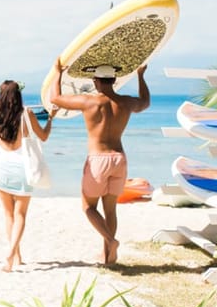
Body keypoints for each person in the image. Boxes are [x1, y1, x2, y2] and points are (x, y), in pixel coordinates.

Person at [48, 60, 150, 264]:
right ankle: (108, 256)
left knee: (88, 207)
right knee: (110, 209)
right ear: (113, 80)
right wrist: (140, 76)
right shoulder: (126, 102)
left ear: (96, 81)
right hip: (119, 158)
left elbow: (55, 98)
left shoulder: (89, 102)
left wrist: (57, 73)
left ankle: (111, 242)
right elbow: (145, 102)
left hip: (98, 160)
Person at [0, 80, 55, 271]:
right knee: (20, 214)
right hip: (23, 170)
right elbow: (44, 137)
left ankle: (16, 255)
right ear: (18, 96)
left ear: (1, 95)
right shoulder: (27, 114)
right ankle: (12, 254)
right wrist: (50, 119)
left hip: (1, 169)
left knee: (8, 215)